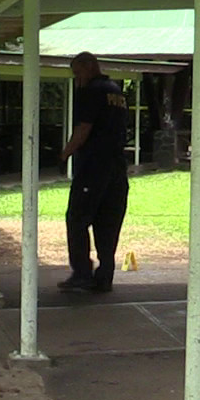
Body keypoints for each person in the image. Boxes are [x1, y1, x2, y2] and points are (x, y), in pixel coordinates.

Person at [57, 52, 131, 294]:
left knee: (77, 219)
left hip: (93, 167)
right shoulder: (116, 92)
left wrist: (65, 154)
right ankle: (104, 275)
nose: (77, 79)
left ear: (88, 67)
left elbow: (84, 128)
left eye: (77, 73)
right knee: (107, 223)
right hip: (117, 167)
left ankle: (82, 273)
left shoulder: (91, 91)